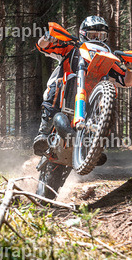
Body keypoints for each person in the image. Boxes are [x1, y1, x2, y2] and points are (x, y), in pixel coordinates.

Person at [33, 15, 111, 156]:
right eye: (93, 35)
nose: (97, 39)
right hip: (63, 95)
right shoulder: (71, 48)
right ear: (83, 34)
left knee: (107, 104)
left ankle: (96, 145)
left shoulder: (107, 57)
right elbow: (42, 47)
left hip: (89, 100)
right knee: (59, 83)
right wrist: (47, 38)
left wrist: (130, 67)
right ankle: (43, 133)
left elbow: (126, 81)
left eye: (101, 36)